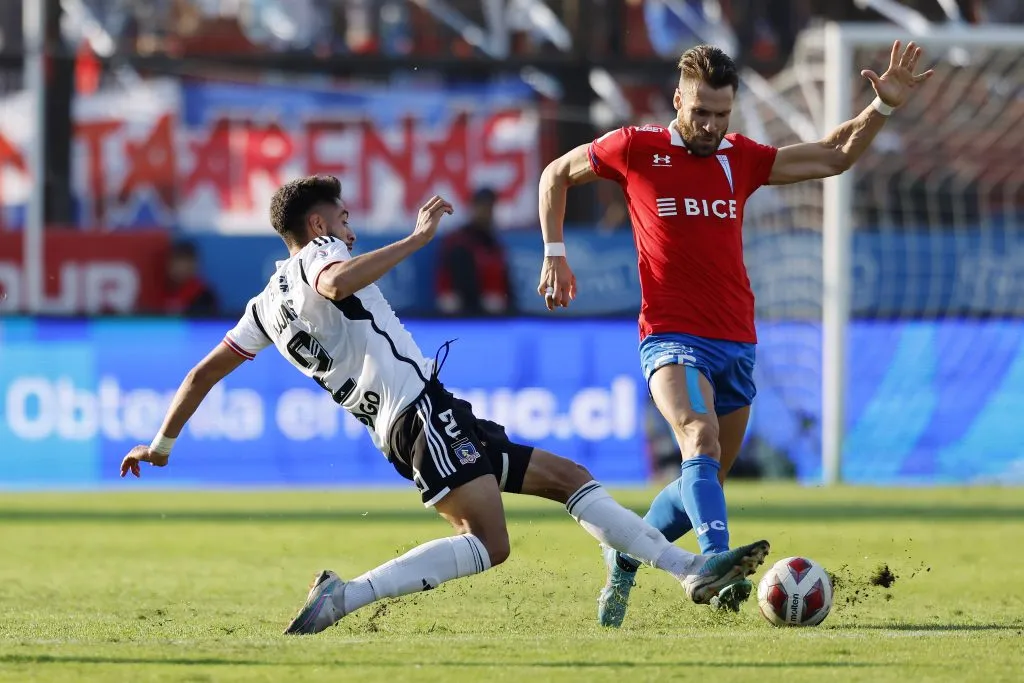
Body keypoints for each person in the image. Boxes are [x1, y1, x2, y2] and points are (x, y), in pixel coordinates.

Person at [118, 175, 770, 635]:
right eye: (342, 219)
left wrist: (162, 444)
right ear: (317, 226)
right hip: (418, 414)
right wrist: (415, 239)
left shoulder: (264, 306)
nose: (348, 229)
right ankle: (347, 595)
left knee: (568, 477)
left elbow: (203, 373)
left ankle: (690, 570)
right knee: (489, 543)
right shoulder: (321, 253)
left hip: (418, 416)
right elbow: (336, 281)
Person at [536, 41, 933, 626]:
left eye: (722, 114)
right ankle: (713, 565)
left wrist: (883, 107)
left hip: (736, 340)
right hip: (670, 334)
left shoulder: (738, 157)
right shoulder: (636, 148)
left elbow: (834, 156)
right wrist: (554, 252)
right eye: (701, 112)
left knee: (706, 476)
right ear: (678, 100)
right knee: (697, 438)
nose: (711, 125)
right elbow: (555, 174)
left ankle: (625, 554)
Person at [435, 187, 515, 316]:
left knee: (495, 302)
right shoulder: (458, 239)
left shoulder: (494, 242)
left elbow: (504, 280)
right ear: (473, 207)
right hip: (459, 298)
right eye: (482, 206)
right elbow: (456, 278)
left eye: (489, 207)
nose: (486, 211)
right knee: (450, 302)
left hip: (487, 300)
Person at [164, 241, 220, 317]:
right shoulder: (157, 292)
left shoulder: (205, 297)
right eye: (177, 263)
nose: (181, 269)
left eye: (187, 264)